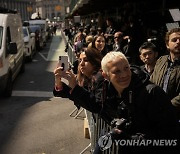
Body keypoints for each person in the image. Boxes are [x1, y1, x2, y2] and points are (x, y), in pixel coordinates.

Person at [61, 51, 178, 153]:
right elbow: (95, 105)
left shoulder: (152, 93)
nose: (124, 75)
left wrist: (127, 139)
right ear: (105, 75)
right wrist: (72, 86)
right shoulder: (107, 92)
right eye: (116, 71)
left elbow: (168, 136)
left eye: (126, 68)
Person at [150, 27, 180, 116]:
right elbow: (152, 83)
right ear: (167, 44)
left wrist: (166, 107)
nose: (178, 42)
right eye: (174, 40)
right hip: (157, 113)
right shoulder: (161, 60)